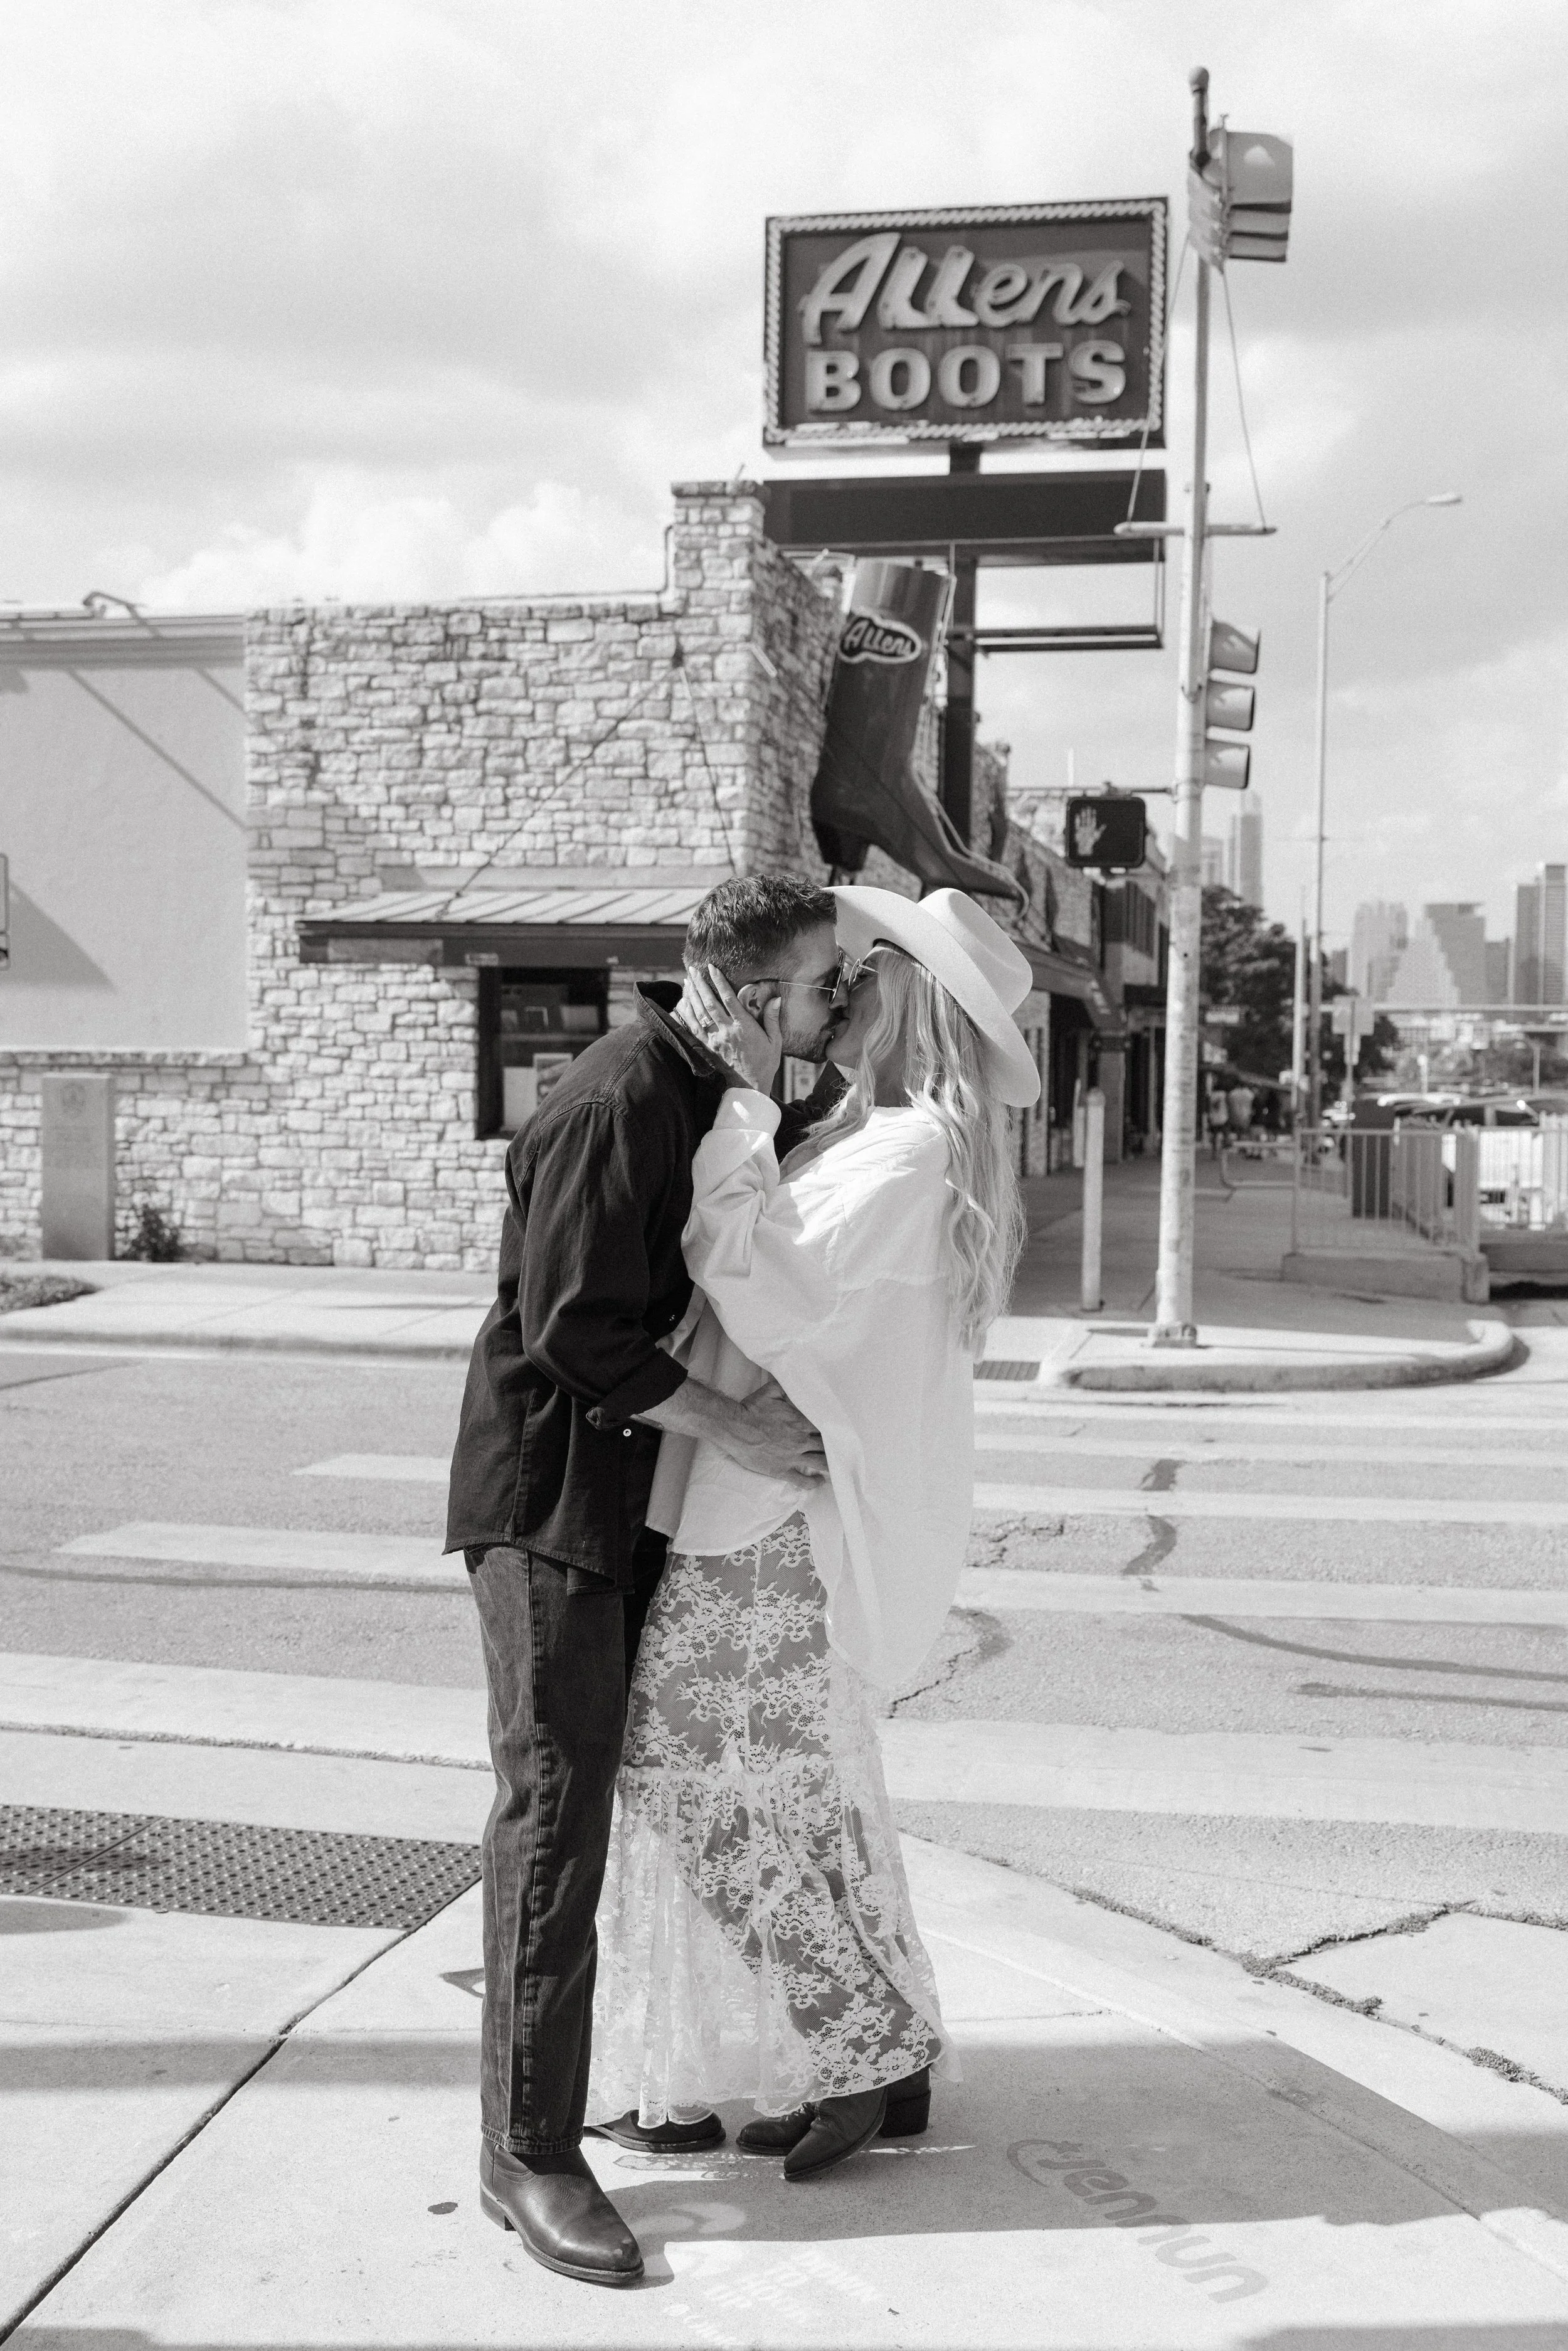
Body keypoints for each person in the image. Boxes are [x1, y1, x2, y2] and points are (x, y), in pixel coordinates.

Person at [586, 885, 1038, 2184]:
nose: (837, 992)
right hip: (776, 1511)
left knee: (675, 1770)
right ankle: (878, 2054)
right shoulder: (887, 1139)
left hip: (769, 1516)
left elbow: (761, 1280)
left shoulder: (902, 1150)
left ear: (906, 1000)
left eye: (859, 975)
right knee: (792, 1790)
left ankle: (854, 2034)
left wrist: (731, 1097)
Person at [445, 873, 854, 2290]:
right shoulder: (628, 1095)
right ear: (743, 993)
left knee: (594, 1807)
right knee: (553, 1816)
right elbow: (571, 1326)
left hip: (617, 1503)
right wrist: (734, 1421)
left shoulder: (701, 1094)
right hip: (549, 1503)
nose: (835, 1011)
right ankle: (527, 2151)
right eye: (821, 987)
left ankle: (547, 2111)